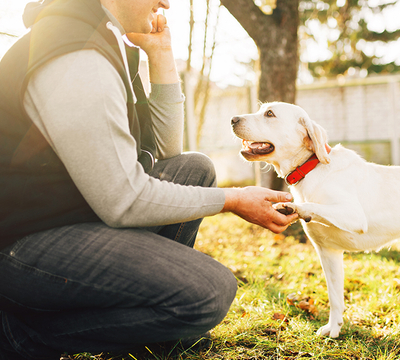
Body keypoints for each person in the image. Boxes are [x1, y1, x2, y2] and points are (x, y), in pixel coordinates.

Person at [0, 0, 298, 358]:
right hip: (20, 244)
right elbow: (123, 201)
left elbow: (167, 151)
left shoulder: (105, 38)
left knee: (194, 169)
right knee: (210, 292)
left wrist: (161, 54)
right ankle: (23, 336)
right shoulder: (77, 53)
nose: (165, 3)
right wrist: (233, 200)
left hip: (69, 214)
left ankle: (149, 327)